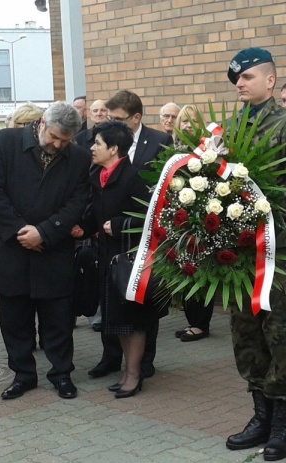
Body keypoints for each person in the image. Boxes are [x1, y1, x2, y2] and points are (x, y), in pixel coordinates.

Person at [222, 47, 286, 461]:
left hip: (277, 249)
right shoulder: (229, 128)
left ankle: (282, 423)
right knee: (245, 330)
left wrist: (256, 220)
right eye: (236, 80)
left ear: (270, 81)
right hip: (238, 252)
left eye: (247, 77)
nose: (240, 84)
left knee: (280, 331)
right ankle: (259, 415)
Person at [0, 102, 91, 400]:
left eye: (65, 140)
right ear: (41, 123)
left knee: (59, 319)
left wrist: (46, 232)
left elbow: (78, 200)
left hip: (53, 250)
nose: (57, 145)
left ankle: (61, 374)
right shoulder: (5, 142)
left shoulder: (76, 157)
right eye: (53, 137)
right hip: (10, 249)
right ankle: (23, 375)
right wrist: (19, 230)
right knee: (14, 320)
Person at [88, 90, 172, 380]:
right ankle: (112, 358)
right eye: (111, 118)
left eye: (120, 119)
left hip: (136, 248)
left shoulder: (159, 142)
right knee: (112, 307)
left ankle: (140, 364)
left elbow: (160, 201)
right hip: (107, 249)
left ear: (136, 118)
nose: (114, 122)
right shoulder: (98, 162)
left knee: (138, 309)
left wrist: (123, 225)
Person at [169, 104, 214, 343]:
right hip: (178, 221)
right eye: (183, 120)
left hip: (198, 220)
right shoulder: (172, 150)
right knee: (184, 269)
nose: (187, 125)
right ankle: (192, 321)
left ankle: (200, 324)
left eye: (192, 121)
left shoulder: (206, 150)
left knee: (198, 270)